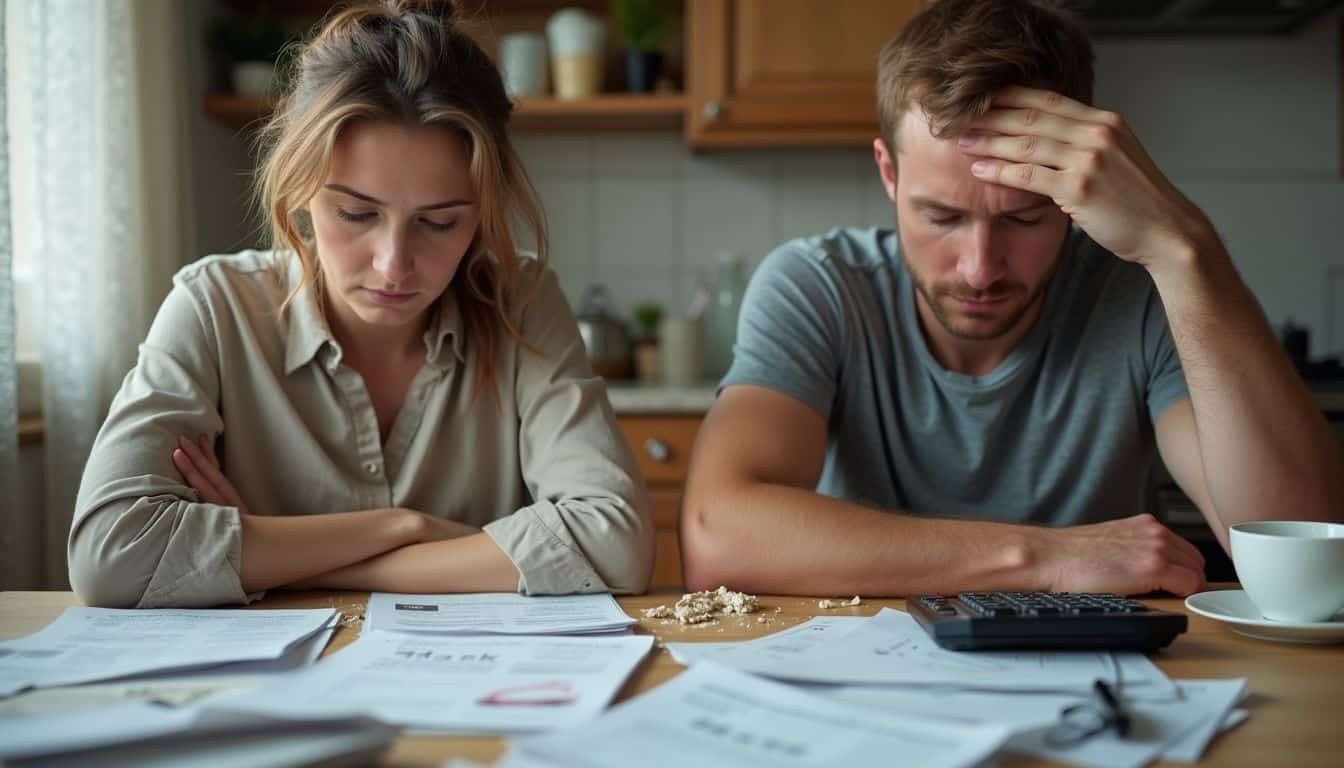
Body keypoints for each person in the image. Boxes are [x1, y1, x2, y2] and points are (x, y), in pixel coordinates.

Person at [680, 0, 1343, 598]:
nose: (979, 270)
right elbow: (719, 536)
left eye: (1025, 218)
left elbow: (1308, 561)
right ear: (888, 171)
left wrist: (1182, 246)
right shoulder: (819, 285)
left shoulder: (1144, 291)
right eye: (941, 217)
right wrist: (1044, 556)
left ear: (1077, 193)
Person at [68, 0, 653, 608]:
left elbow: (617, 545)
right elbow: (111, 555)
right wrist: (406, 529)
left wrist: (281, 559)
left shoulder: (520, 300)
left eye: (440, 222)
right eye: (356, 213)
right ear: (298, 188)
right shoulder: (214, 307)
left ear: (480, 217)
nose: (393, 264)